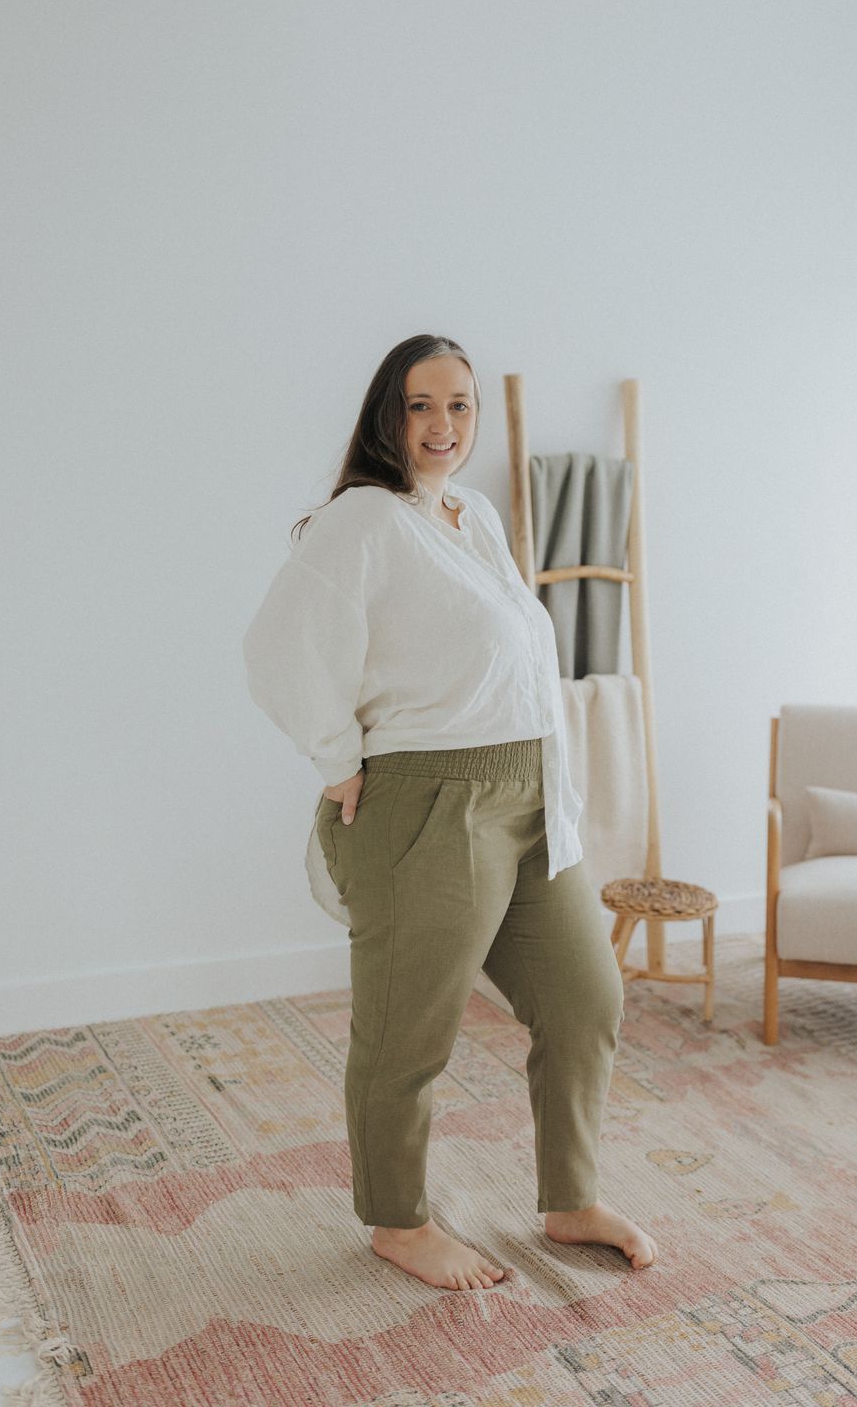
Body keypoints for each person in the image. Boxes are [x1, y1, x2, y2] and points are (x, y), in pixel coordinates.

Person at [243, 332, 657, 1290]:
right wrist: (339, 758)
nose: (442, 425)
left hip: (528, 801)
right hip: (431, 805)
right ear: (388, 414)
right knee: (408, 1030)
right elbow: (278, 646)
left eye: (459, 405)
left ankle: (567, 1198)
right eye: (421, 405)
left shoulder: (470, 515)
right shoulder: (363, 521)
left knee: (585, 998)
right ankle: (396, 1221)